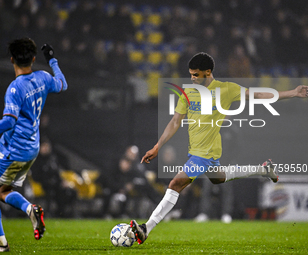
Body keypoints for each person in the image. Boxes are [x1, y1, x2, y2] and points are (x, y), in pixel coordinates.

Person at [130, 52, 308, 244]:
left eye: (196, 74)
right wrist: (158, 146)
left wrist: (293, 93)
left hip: (204, 153)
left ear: (208, 72)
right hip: (204, 150)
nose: (192, 78)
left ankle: (146, 228)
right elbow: (175, 122)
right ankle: (263, 169)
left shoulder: (226, 89)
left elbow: (258, 95)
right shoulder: (188, 93)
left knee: (175, 184)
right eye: (190, 74)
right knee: (219, 178)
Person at [0, 37, 68, 252]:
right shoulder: (42, 77)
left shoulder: (15, 88)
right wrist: (52, 61)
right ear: (33, 58)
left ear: (11, 59)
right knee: (2, 190)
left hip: (13, 150)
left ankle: (0, 244)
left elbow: (8, 122)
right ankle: (30, 209)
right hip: (31, 148)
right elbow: (62, 84)